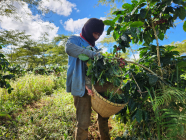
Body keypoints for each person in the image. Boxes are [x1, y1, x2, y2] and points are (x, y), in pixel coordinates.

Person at [65, 18, 110, 140]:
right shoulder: (75, 40)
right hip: (81, 87)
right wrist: (93, 55)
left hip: (97, 87)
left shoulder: (95, 48)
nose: (97, 36)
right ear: (88, 30)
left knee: (104, 117)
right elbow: (69, 48)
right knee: (83, 123)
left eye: (99, 34)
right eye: (95, 33)